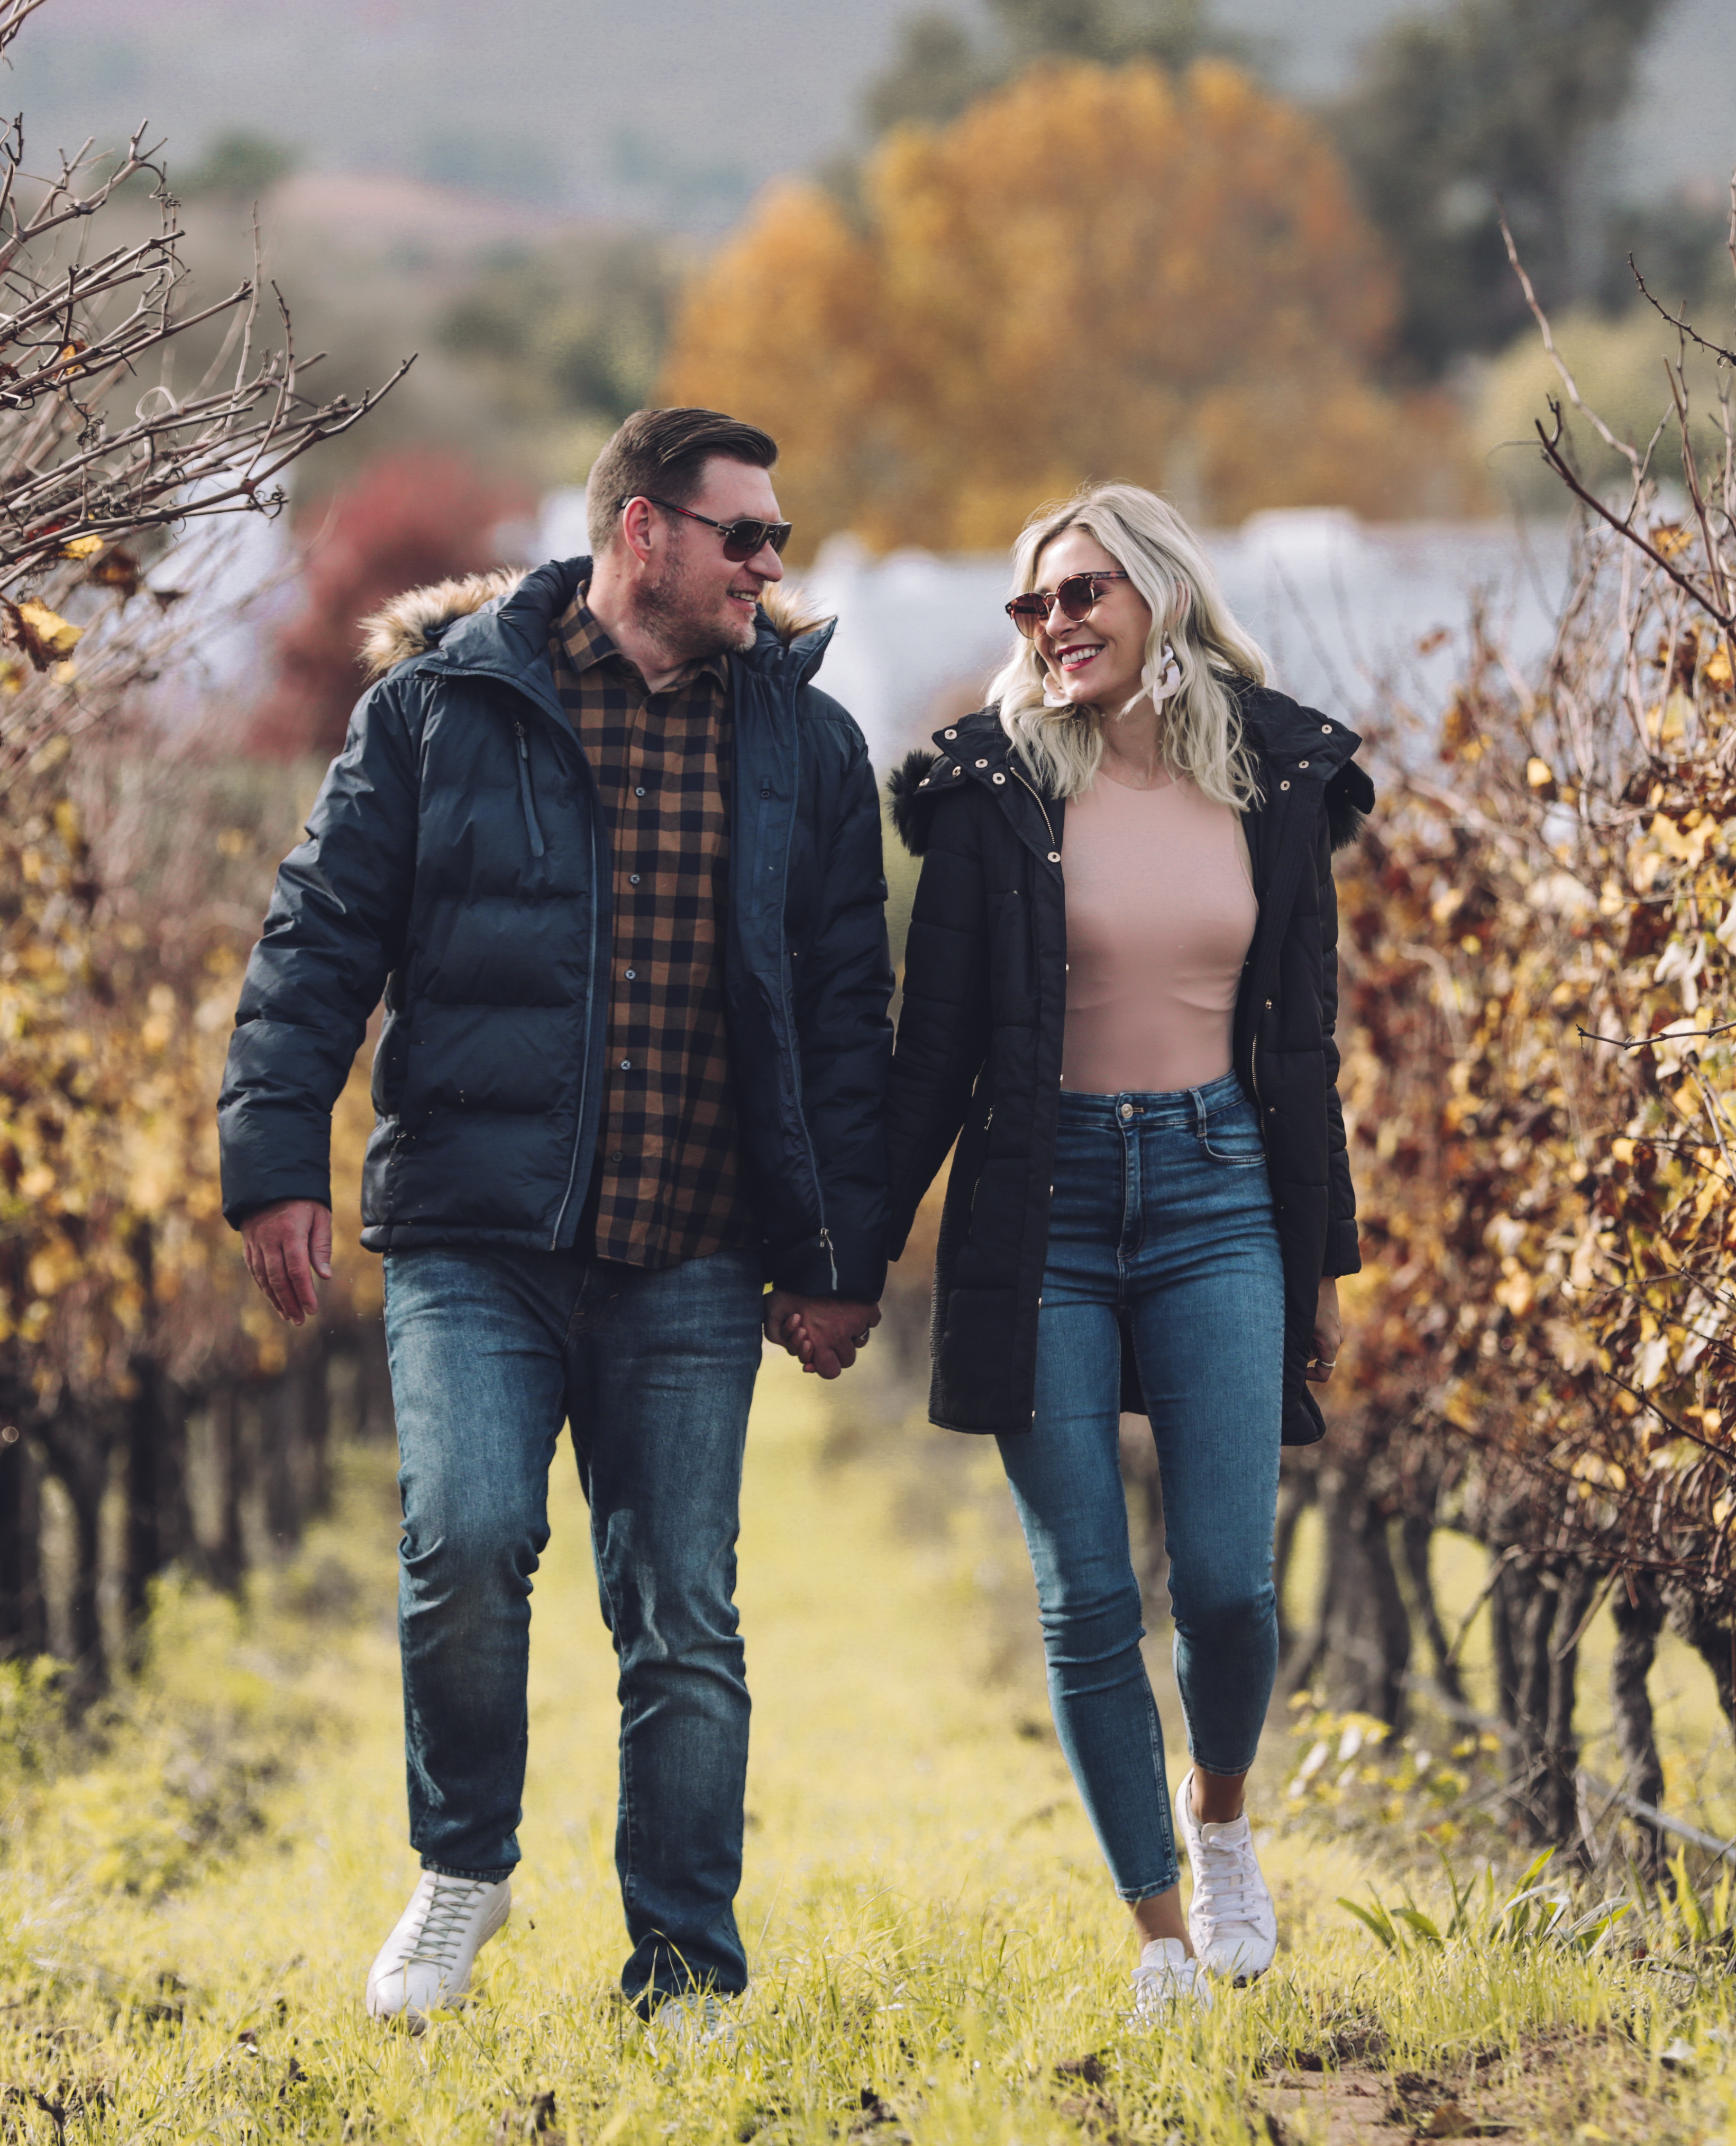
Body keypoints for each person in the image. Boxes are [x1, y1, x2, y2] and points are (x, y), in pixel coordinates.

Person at [218, 407, 892, 2031]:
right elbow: (318, 939)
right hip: (475, 1233)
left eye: (780, 539)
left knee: (680, 1609)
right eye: (747, 535)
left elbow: (846, 1018)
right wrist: (277, 1160)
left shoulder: (806, 750)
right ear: (644, 532)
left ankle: (684, 1966)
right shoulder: (440, 713)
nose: (772, 565)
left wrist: (837, 1260)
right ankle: (463, 1872)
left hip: (692, 1252)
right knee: (465, 1540)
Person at [881, 483, 1369, 2021]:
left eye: (1084, 591)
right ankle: (1160, 1934)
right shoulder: (995, 793)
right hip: (1048, 1202)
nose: (1057, 624)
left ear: (1160, 591)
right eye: (1034, 606)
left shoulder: (1280, 778)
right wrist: (842, 1254)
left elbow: (1310, 1042)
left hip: (1223, 1187)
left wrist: (1326, 1260)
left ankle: (1221, 1823)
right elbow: (932, 1050)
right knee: (1090, 1597)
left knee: (1226, 1584)